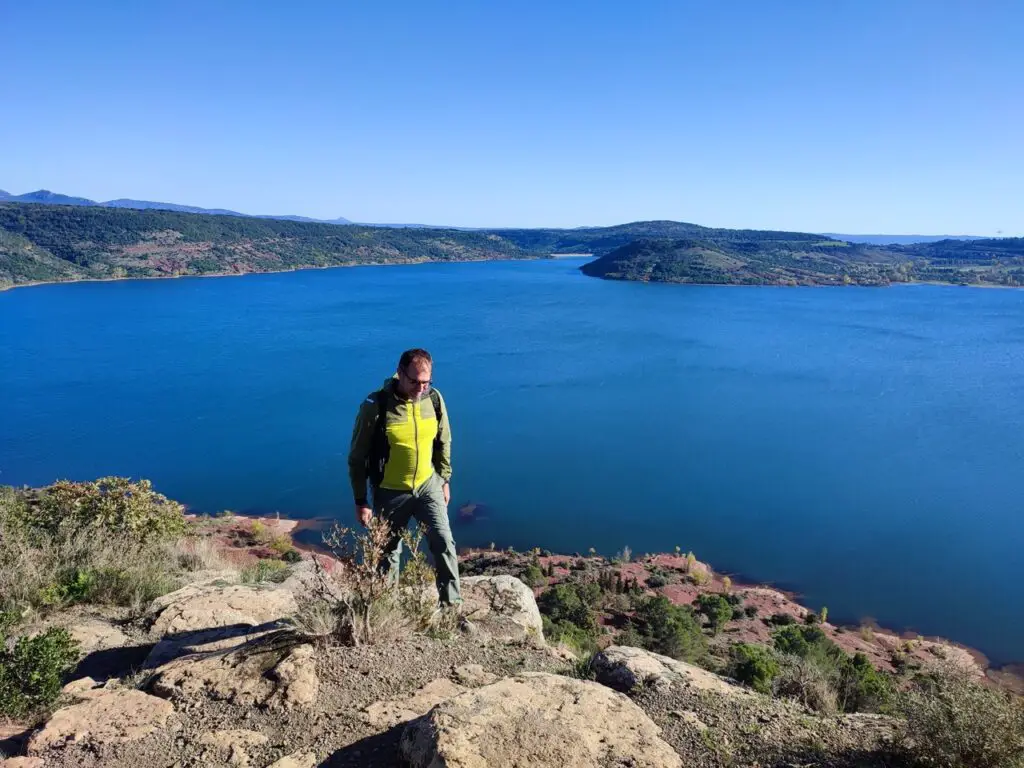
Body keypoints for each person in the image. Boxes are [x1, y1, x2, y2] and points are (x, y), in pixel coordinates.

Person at [347, 348, 461, 606]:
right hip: (389, 491)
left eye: (426, 382)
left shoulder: (434, 399)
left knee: (444, 542)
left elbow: (444, 440)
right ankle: (386, 610)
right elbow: (357, 457)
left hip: (427, 485)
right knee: (388, 553)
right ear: (399, 373)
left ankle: (452, 608)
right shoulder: (376, 406)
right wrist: (360, 500)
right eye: (414, 381)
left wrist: (444, 478)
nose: (420, 388)